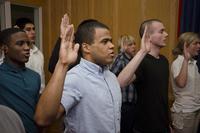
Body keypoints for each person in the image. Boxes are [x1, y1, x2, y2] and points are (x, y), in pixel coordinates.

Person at [34, 14, 122, 133]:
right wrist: (63, 64)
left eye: (111, 41)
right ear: (86, 47)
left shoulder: (110, 76)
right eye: (105, 42)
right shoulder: (75, 77)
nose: (112, 46)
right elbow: (42, 119)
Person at [118, 19, 170, 132]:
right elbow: (120, 82)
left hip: (163, 125)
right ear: (148, 36)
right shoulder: (142, 61)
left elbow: (162, 98)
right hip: (145, 127)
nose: (166, 34)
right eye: (161, 31)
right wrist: (142, 52)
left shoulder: (164, 61)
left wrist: (168, 123)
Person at [0, 28, 41, 133]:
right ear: (5, 48)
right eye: (20, 44)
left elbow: (38, 111)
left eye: (28, 43)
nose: (27, 48)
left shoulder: (35, 76)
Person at [171, 32, 200, 133]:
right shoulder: (178, 62)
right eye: (195, 43)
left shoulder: (194, 64)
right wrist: (186, 60)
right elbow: (181, 83)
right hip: (184, 113)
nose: (199, 46)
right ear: (186, 45)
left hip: (195, 111)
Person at [110, 35, 136, 133]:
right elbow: (111, 77)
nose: (134, 46)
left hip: (132, 102)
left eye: (134, 44)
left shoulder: (133, 60)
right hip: (123, 104)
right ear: (123, 46)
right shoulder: (120, 59)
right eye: (130, 44)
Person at [15, 18, 45, 93]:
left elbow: (42, 78)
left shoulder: (39, 53)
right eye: (28, 30)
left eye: (33, 29)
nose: (33, 32)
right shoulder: (17, 55)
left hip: (40, 95)